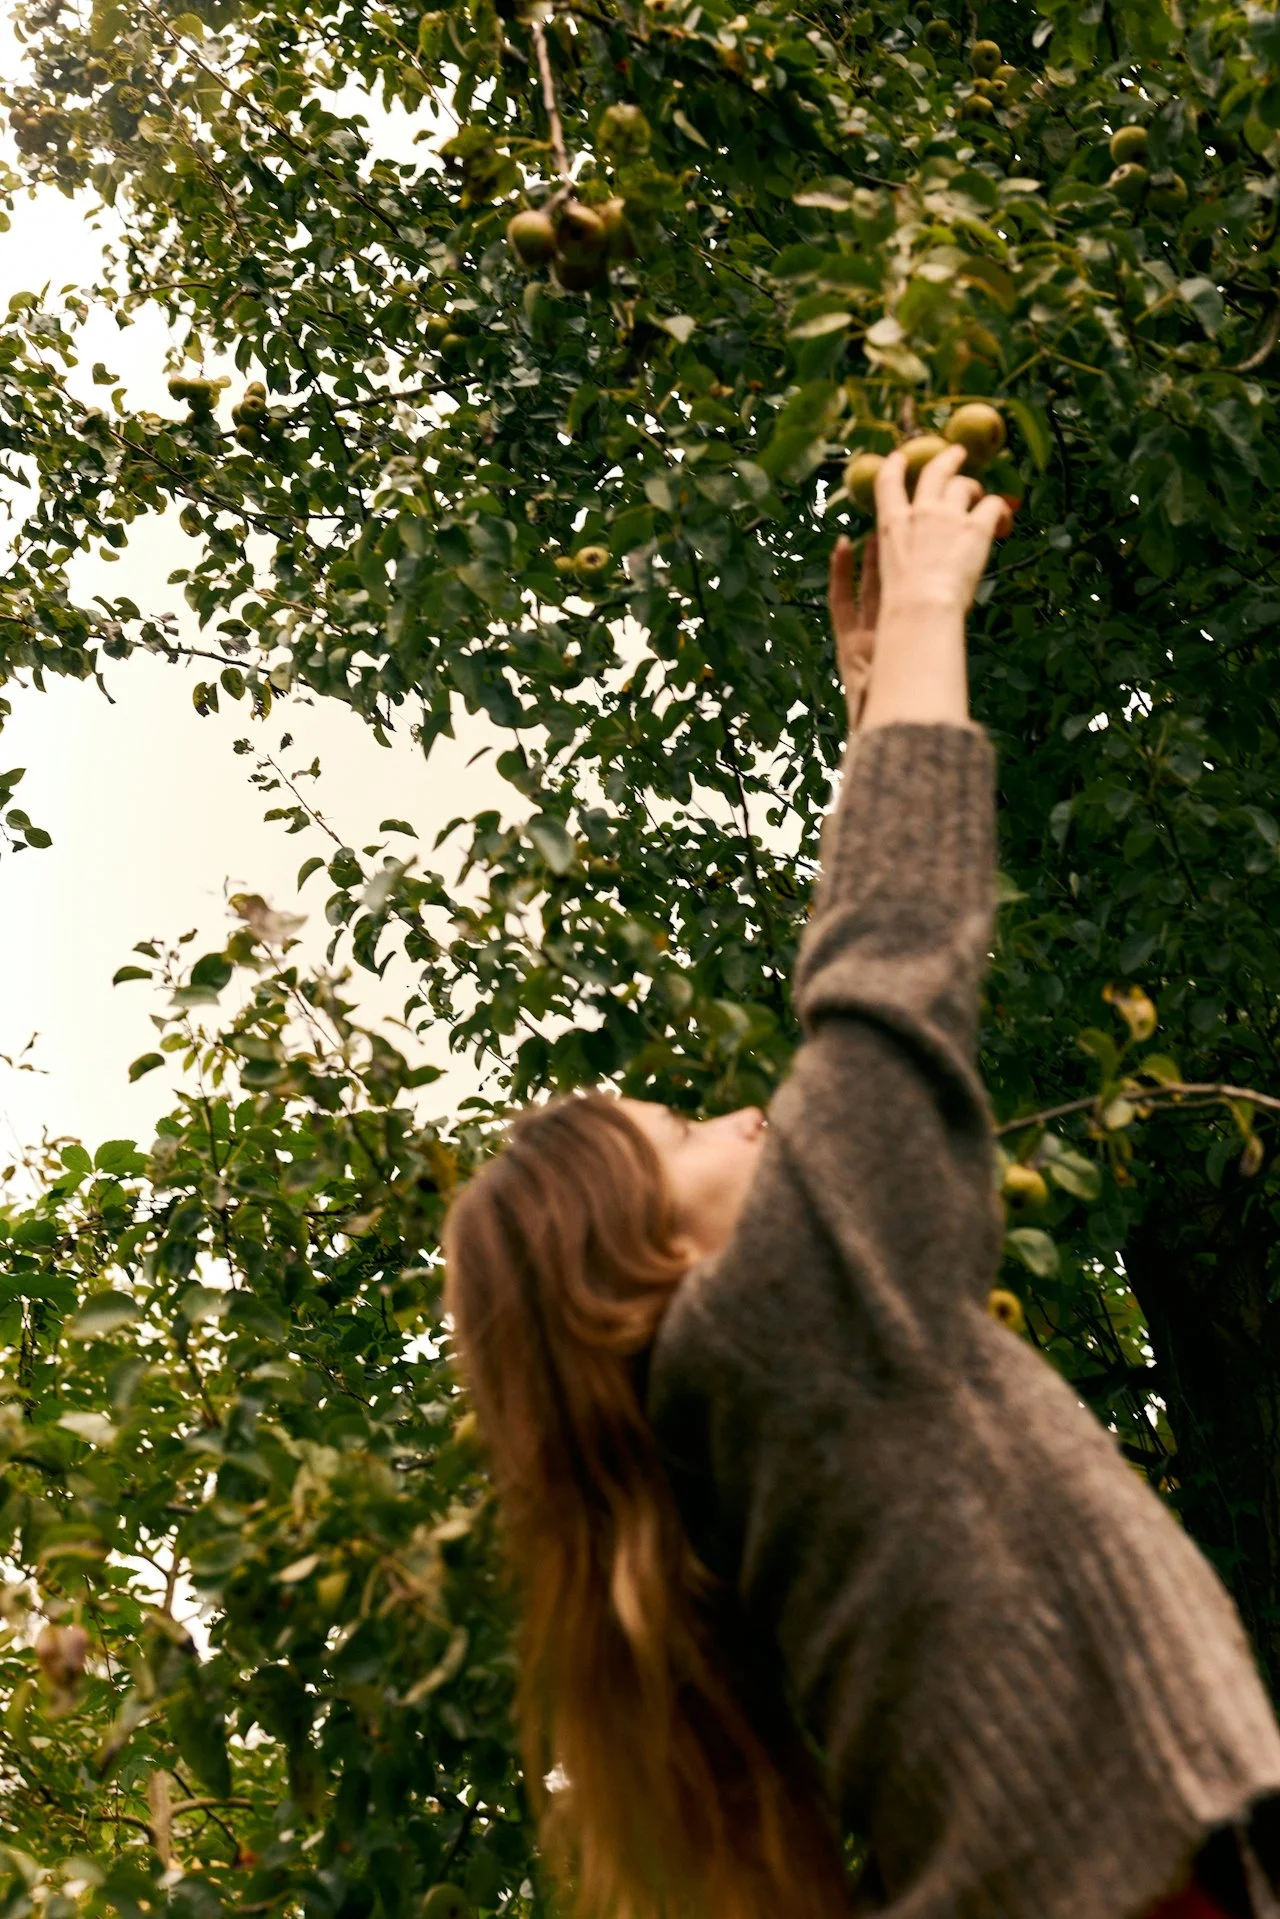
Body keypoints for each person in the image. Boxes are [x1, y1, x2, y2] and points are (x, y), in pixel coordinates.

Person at [442, 443, 1280, 1919]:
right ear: (640, 1267)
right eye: (681, 1136)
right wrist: (933, 610)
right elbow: (890, 963)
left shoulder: (753, 1408)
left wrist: (880, 705)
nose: (741, 1117)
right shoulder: (756, 1332)